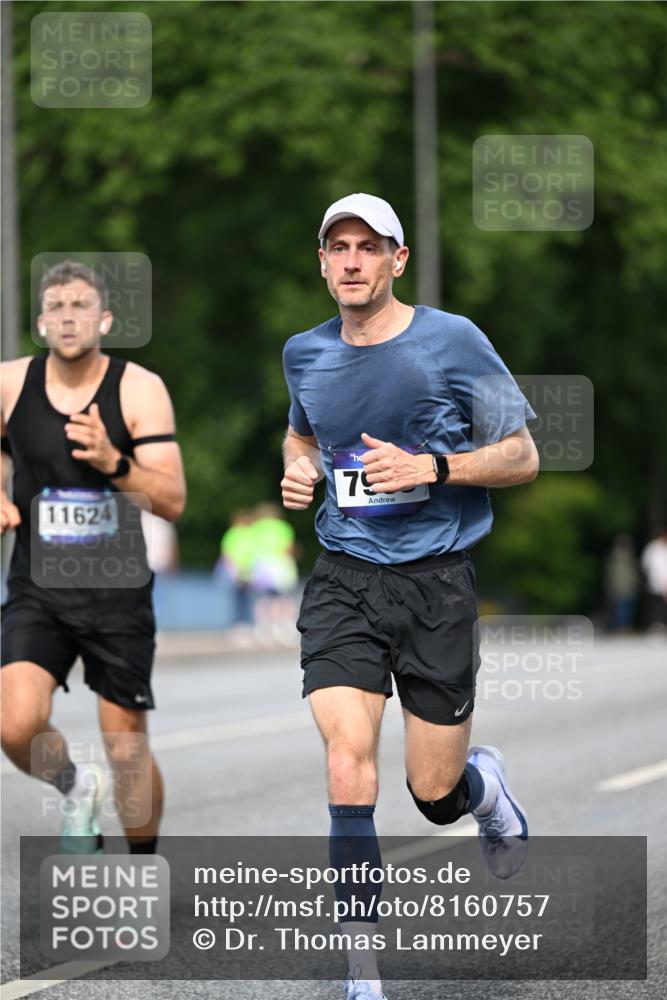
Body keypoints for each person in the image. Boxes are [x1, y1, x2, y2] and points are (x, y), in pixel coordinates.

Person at [281, 194, 539, 1000]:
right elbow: (303, 432)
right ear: (321, 262)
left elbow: (523, 455)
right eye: (338, 247)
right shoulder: (304, 353)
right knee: (346, 761)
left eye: (369, 247)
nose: (352, 261)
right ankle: (363, 972)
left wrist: (431, 468)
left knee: (431, 795)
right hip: (344, 578)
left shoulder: (450, 341)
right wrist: (299, 467)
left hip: (436, 582)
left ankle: (482, 790)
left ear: (397, 260)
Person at [1, 260, 186, 854]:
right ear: (40, 323)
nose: (68, 316)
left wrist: (115, 462)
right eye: (56, 307)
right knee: (13, 722)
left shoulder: (137, 388)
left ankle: (139, 865)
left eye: (80, 305)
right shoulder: (9, 384)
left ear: (104, 318)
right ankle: (76, 786)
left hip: (117, 591)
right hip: (38, 588)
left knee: (126, 743)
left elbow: (174, 499)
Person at [604, 533, 639, 632]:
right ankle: (621, 627)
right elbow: (613, 575)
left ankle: (625, 626)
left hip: (627, 587)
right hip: (620, 587)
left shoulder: (626, 557)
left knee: (627, 608)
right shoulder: (617, 559)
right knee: (621, 608)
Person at [640, 529, 667, 631]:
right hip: (655, 583)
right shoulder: (653, 548)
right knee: (657, 605)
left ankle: (662, 623)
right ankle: (657, 624)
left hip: (663, 582)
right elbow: (649, 566)